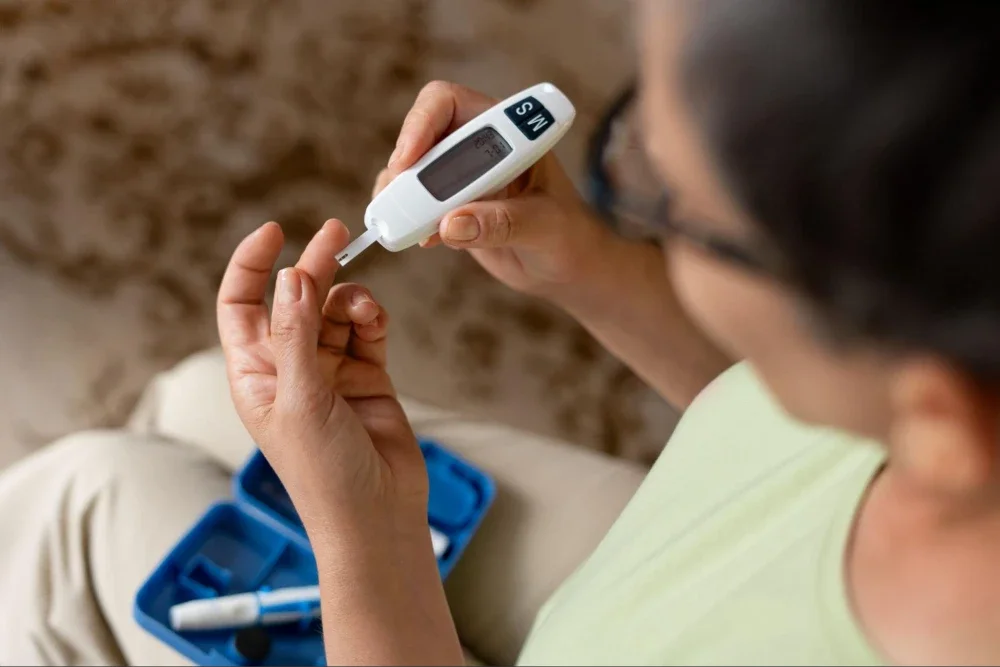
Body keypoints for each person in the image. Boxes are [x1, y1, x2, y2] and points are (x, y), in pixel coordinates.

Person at [3, 0, 1000, 664]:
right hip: (687, 551)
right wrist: (590, 264)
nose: (638, 195)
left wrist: (369, 543)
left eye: (671, 202)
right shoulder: (939, 377)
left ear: (935, 414)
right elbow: (789, 423)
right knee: (191, 398)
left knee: (84, 503)